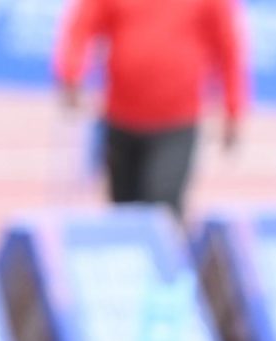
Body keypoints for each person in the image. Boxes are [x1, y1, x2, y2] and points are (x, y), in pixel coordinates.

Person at [54, 0, 251, 221]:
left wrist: (233, 110)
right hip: (120, 119)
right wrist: (71, 73)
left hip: (176, 122)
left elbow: (229, 49)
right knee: (123, 213)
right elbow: (82, 25)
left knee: (163, 210)